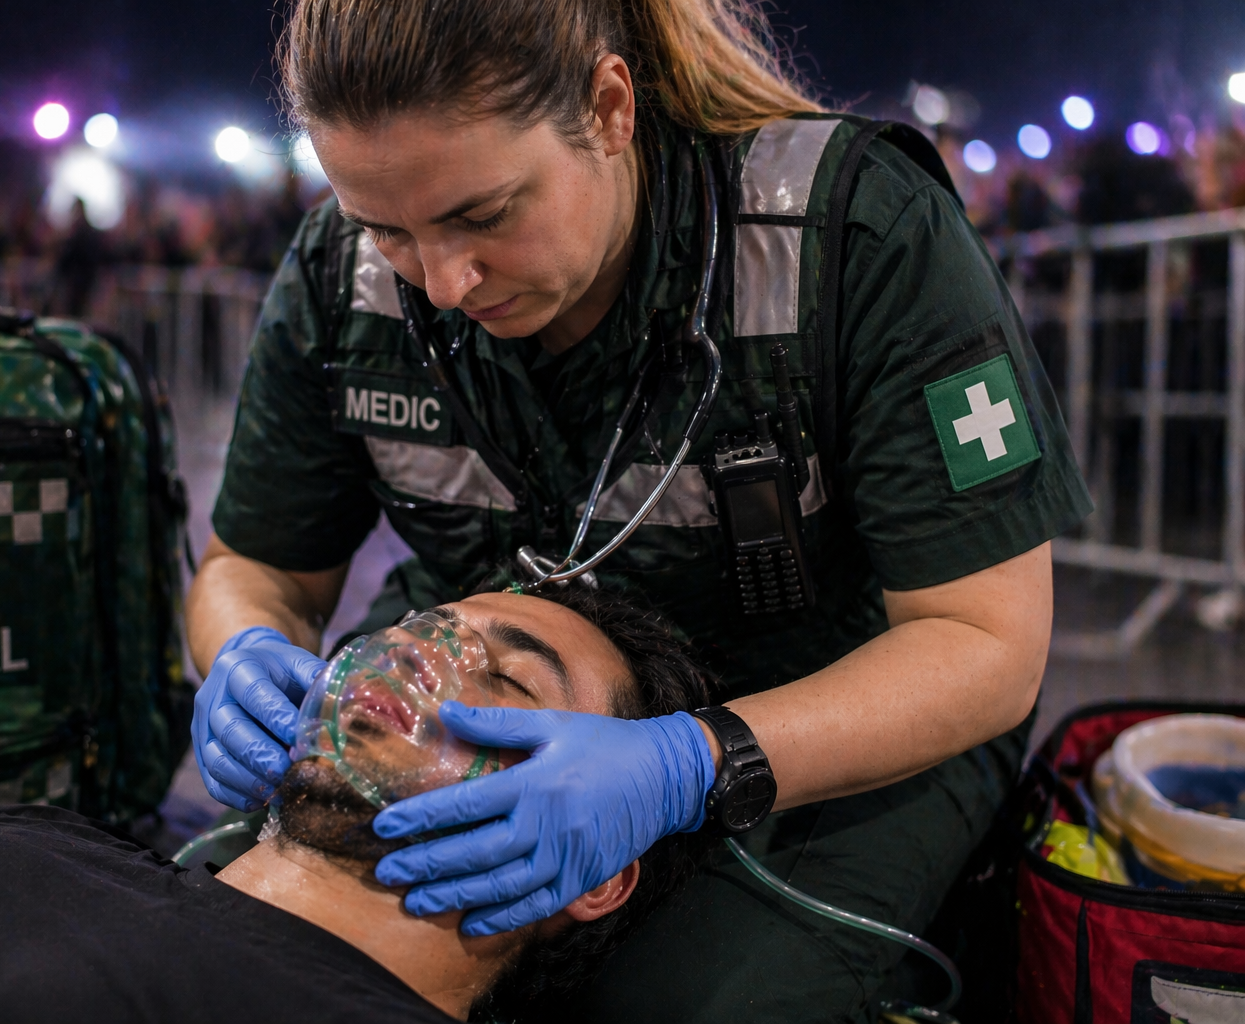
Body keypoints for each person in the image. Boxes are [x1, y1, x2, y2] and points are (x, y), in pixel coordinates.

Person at [187, 0, 1092, 1019]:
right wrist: (242, 652)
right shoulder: (334, 280)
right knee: (220, 936)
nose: (441, 282)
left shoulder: (854, 238)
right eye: (386, 227)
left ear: (610, 108)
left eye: (482, 215)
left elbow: (986, 642)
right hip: (487, 712)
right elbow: (254, 569)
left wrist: (684, 764)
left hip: (835, 715)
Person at [0, 584, 712, 1024]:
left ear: (596, 861)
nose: (418, 650)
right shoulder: (26, 846)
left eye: (513, 683)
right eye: (422, 621)